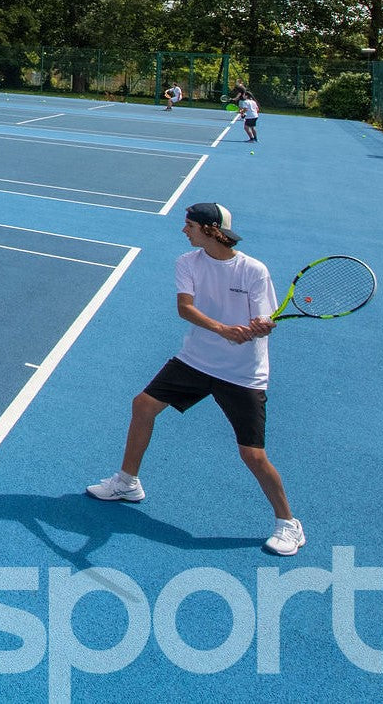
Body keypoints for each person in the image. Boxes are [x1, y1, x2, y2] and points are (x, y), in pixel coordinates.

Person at [85, 201, 304, 557]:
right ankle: (127, 482)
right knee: (143, 405)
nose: (184, 230)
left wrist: (261, 326)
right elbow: (185, 308)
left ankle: (288, 523)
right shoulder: (187, 263)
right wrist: (222, 329)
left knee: (252, 454)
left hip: (242, 374)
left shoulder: (253, 271)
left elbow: (264, 322)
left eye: (189, 225)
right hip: (196, 360)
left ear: (209, 229)